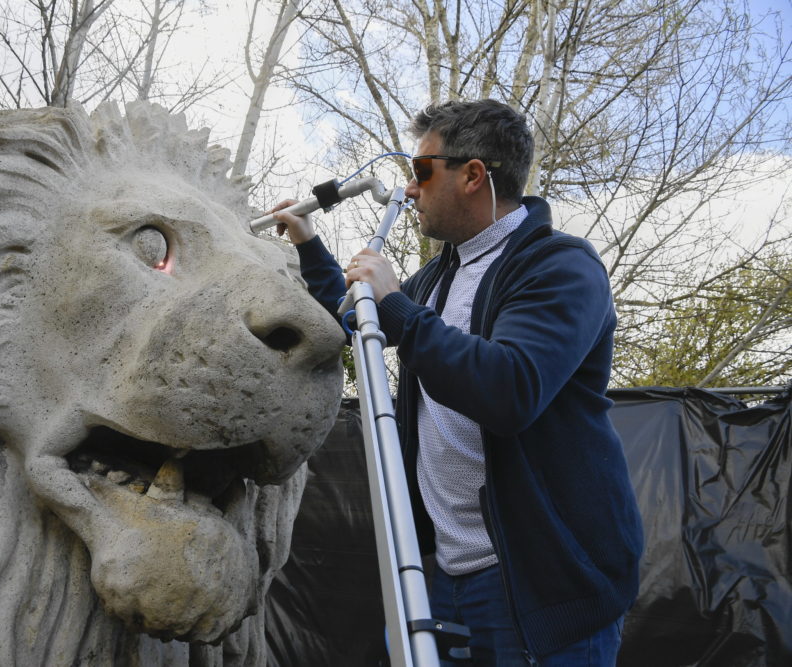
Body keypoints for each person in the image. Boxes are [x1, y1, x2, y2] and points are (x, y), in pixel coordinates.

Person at [270, 99, 644, 666]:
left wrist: (399, 307)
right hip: (443, 570)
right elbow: (349, 319)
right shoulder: (442, 274)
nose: (411, 190)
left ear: (473, 176)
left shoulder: (560, 267)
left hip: (536, 585)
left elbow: (511, 389)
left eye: (422, 171)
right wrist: (306, 244)